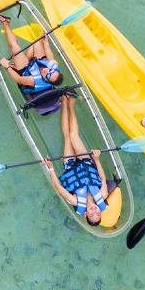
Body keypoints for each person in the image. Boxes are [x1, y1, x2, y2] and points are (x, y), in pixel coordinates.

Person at [40, 96, 110, 226]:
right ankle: (71, 106)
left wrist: (50, 167)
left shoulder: (76, 201)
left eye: (92, 214)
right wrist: (96, 160)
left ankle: (64, 102)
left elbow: (59, 187)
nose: (95, 211)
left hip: (70, 167)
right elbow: (102, 178)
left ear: (85, 214)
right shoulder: (102, 195)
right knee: (74, 136)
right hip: (87, 163)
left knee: (67, 137)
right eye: (98, 213)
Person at [0, 14, 64, 97]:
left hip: (26, 71)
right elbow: (50, 58)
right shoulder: (54, 65)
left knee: (15, 48)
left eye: (48, 76)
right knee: (37, 42)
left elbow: (18, 79)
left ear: (46, 81)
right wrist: (46, 43)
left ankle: (5, 22)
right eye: (51, 71)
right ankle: (21, 61)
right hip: (36, 64)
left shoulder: (33, 80)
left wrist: (7, 67)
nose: (47, 71)